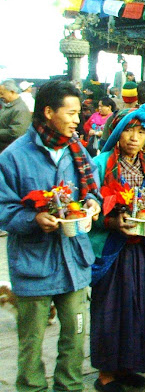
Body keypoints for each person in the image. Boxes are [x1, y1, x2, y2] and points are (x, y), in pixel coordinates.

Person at [0, 80, 101, 392]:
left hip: (74, 262)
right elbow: (3, 206)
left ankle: (69, 388)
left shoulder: (78, 150)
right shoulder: (14, 156)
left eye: (77, 113)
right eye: (70, 113)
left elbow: (92, 190)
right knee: (31, 345)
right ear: (47, 112)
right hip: (34, 265)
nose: (76, 120)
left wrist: (93, 205)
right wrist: (33, 218)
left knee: (74, 339)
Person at [89, 104, 145, 392]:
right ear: (117, 133)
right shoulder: (100, 163)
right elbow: (91, 207)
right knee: (109, 308)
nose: (135, 137)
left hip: (140, 246)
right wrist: (110, 221)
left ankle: (128, 366)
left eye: (142, 132)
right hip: (111, 247)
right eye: (129, 130)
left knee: (136, 306)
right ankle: (106, 373)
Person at [0, 79, 33, 152]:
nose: (0, 96)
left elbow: (16, 133)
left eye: (2, 93)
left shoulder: (20, 109)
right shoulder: (10, 106)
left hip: (8, 151)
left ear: (12, 92)